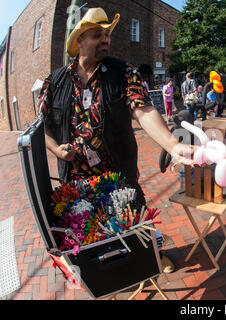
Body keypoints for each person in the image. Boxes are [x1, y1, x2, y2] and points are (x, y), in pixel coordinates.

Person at [38, 8, 194, 273]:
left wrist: (173, 145)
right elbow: (41, 126)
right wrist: (56, 149)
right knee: (91, 229)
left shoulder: (123, 72)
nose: (106, 40)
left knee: (136, 219)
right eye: (98, 35)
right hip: (76, 181)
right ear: (79, 41)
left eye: (107, 34)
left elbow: (143, 110)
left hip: (118, 173)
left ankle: (153, 256)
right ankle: (111, 270)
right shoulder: (54, 81)